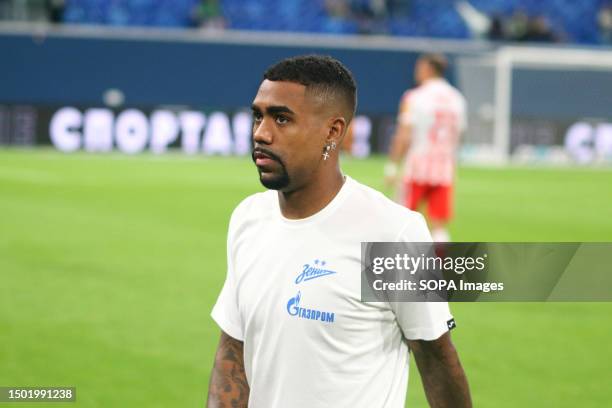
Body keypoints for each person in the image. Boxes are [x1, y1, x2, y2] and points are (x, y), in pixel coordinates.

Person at [207, 55, 471, 408]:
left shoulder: (392, 233)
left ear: (333, 131)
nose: (261, 133)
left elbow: (436, 358)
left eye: (282, 118)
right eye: (258, 115)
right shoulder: (248, 219)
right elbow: (232, 350)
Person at [386, 54, 467, 242]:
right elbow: (459, 134)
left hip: (417, 167)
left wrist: (392, 166)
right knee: (439, 225)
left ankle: (399, 269)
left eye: (419, 68)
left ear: (428, 69)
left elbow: (404, 134)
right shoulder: (457, 99)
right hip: (444, 169)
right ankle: (441, 267)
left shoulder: (415, 97)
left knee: (402, 219)